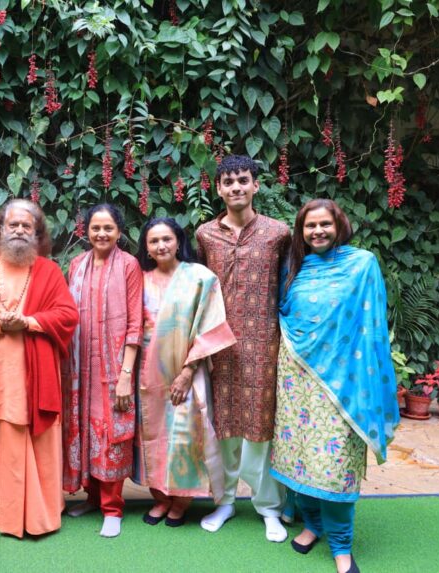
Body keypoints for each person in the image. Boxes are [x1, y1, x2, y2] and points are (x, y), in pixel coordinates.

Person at [271, 199, 399, 573]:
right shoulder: (294, 266)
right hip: (297, 379)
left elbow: (371, 325)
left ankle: (341, 545)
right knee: (299, 455)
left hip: (344, 381)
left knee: (335, 462)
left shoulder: (361, 265)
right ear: (301, 231)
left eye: (324, 224)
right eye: (310, 226)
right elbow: (283, 313)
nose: (318, 231)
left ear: (339, 225)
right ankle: (313, 525)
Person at [0, 199, 78, 538]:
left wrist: (28, 322)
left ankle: (43, 514)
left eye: (28, 226)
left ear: (37, 233)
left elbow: (67, 314)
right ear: (0, 229)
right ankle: (9, 515)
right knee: (9, 445)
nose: (20, 231)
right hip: (0, 376)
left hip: (39, 374)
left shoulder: (49, 270)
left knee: (42, 441)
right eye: (13, 224)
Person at [195, 154, 291, 542]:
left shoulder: (278, 233)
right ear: (218, 189)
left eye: (243, 180)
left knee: (260, 428)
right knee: (222, 428)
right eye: (228, 182)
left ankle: (269, 508)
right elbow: (198, 290)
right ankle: (225, 502)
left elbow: (290, 286)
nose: (236, 187)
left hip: (264, 346)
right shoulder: (205, 235)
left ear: (256, 185)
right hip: (218, 346)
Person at [133, 217, 236, 527]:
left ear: (179, 241)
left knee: (184, 435)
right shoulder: (139, 280)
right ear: (146, 248)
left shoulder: (200, 278)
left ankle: (181, 501)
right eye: (154, 241)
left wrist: (187, 372)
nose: (161, 245)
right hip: (147, 372)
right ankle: (161, 498)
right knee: (152, 434)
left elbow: (210, 326)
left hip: (186, 370)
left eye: (167, 239)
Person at [62, 204, 143, 538]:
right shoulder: (76, 264)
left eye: (108, 227)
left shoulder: (129, 265)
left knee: (111, 434)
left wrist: (126, 375)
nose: (101, 233)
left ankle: (113, 508)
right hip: (79, 366)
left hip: (113, 367)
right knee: (82, 430)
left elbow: (135, 322)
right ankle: (93, 498)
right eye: (95, 227)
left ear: (119, 232)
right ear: (86, 231)